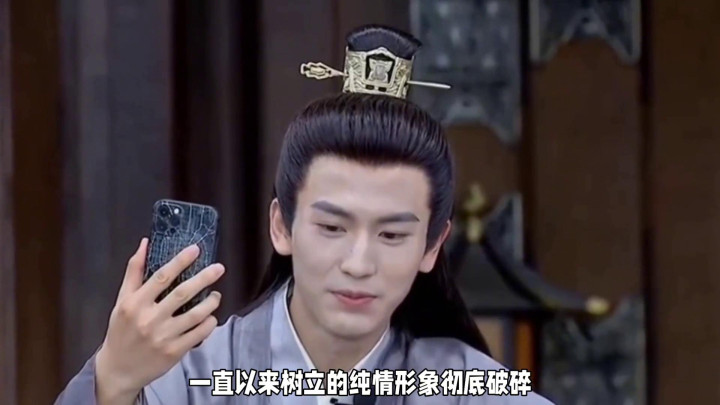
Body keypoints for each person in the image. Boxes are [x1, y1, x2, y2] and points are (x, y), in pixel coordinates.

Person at [55, 25, 554, 405]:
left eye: (392, 235)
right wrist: (113, 380)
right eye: (332, 227)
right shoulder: (193, 377)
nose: (358, 263)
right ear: (282, 226)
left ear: (432, 246)